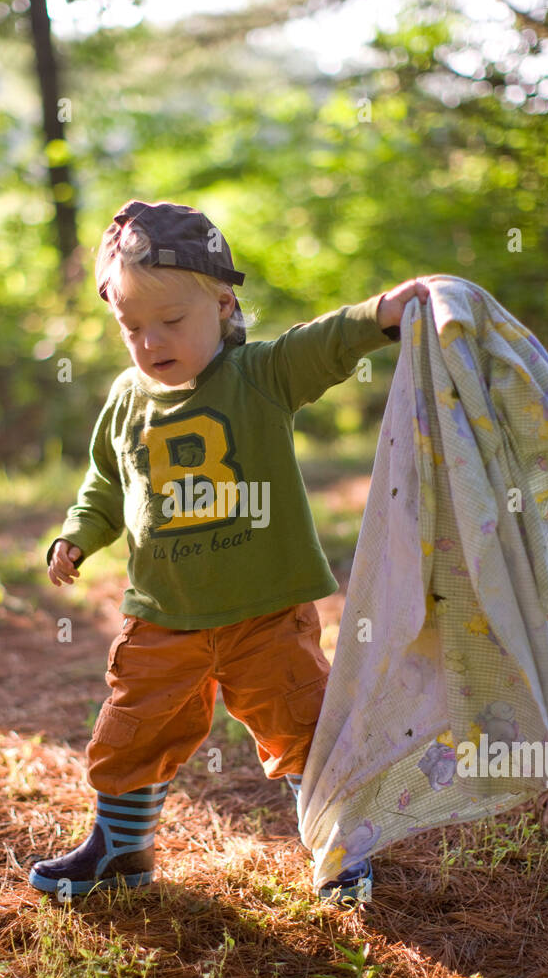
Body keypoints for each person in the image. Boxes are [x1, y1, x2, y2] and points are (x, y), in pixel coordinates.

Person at [28, 198, 428, 905]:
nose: (151, 342)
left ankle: (339, 847)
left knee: (306, 727)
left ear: (222, 304)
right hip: (164, 618)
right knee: (129, 732)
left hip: (264, 615)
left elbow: (322, 342)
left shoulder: (259, 376)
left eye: (171, 322)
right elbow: (104, 484)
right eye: (132, 328)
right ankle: (122, 848)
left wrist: (382, 315)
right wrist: (75, 535)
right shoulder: (126, 399)